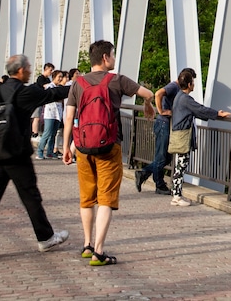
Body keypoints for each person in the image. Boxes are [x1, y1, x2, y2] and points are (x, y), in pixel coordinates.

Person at [0, 54, 72, 261]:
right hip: (16, 152)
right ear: (20, 71)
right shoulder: (22, 92)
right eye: (27, 68)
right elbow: (54, 94)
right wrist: (80, 87)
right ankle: (45, 238)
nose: (29, 71)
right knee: (30, 195)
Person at [62, 40, 156, 267]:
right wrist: (148, 104)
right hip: (109, 145)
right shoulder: (116, 80)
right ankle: (99, 251)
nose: (114, 59)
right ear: (105, 58)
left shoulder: (78, 84)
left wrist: (67, 146)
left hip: (83, 147)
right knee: (106, 198)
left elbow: (69, 117)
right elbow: (149, 92)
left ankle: (86, 244)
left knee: (87, 197)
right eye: (112, 55)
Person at [168, 70, 231, 207]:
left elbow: (196, 111)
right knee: (181, 166)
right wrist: (217, 114)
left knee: (179, 165)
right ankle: (177, 196)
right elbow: (200, 110)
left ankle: (175, 194)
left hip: (177, 134)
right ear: (189, 84)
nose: (194, 85)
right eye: (193, 83)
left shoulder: (178, 97)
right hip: (183, 135)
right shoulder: (186, 99)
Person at [135, 69, 194, 195]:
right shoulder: (173, 86)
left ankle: (144, 173)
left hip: (166, 124)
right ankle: (159, 185)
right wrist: (161, 111)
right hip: (163, 123)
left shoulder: (176, 87)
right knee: (162, 157)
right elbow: (158, 94)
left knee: (166, 157)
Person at [37, 70, 67, 160]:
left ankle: (50, 152)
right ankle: (40, 152)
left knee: (53, 134)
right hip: (49, 113)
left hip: (58, 113)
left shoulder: (60, 88)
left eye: (62, 77)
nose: (60, 79)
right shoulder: (49, 86)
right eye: (59, 77)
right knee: (47, 133)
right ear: (54, 77)